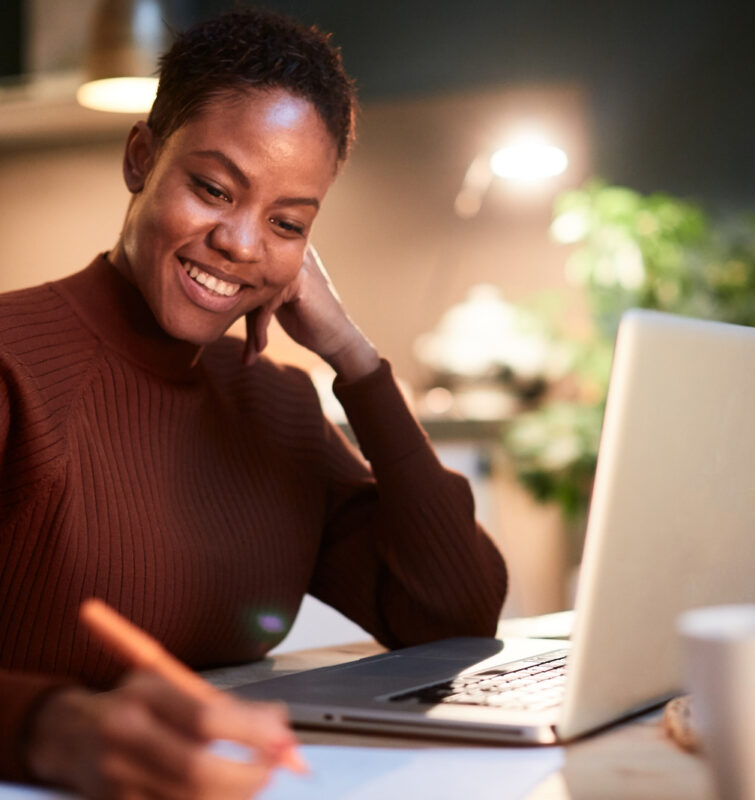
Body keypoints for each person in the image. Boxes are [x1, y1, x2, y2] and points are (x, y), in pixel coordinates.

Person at [0, 9, 507, 798]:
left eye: (286, 223)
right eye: (212, 189)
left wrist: (357, 362)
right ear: (142, 159)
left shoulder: (279, 409)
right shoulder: (10, 364)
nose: (241, 243)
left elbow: (456, 613)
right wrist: (55, 728)